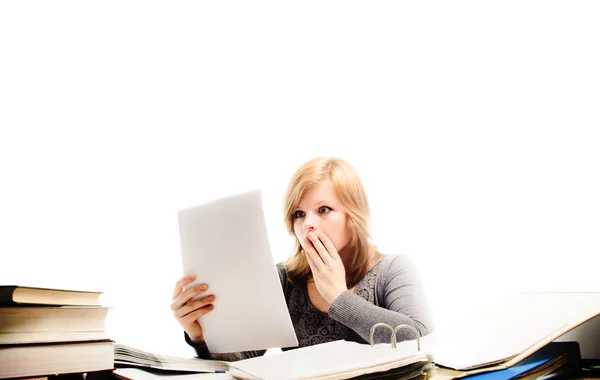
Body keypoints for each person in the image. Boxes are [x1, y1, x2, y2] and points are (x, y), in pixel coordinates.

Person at [170, 157, 434, 361]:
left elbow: (421, 341)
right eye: (299, 213)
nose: (308, 224)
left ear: (352, 216)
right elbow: (241, 361)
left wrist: (339, 298)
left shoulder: (392, 270)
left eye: (324, 210)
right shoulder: (285, 279)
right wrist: (200, 335)